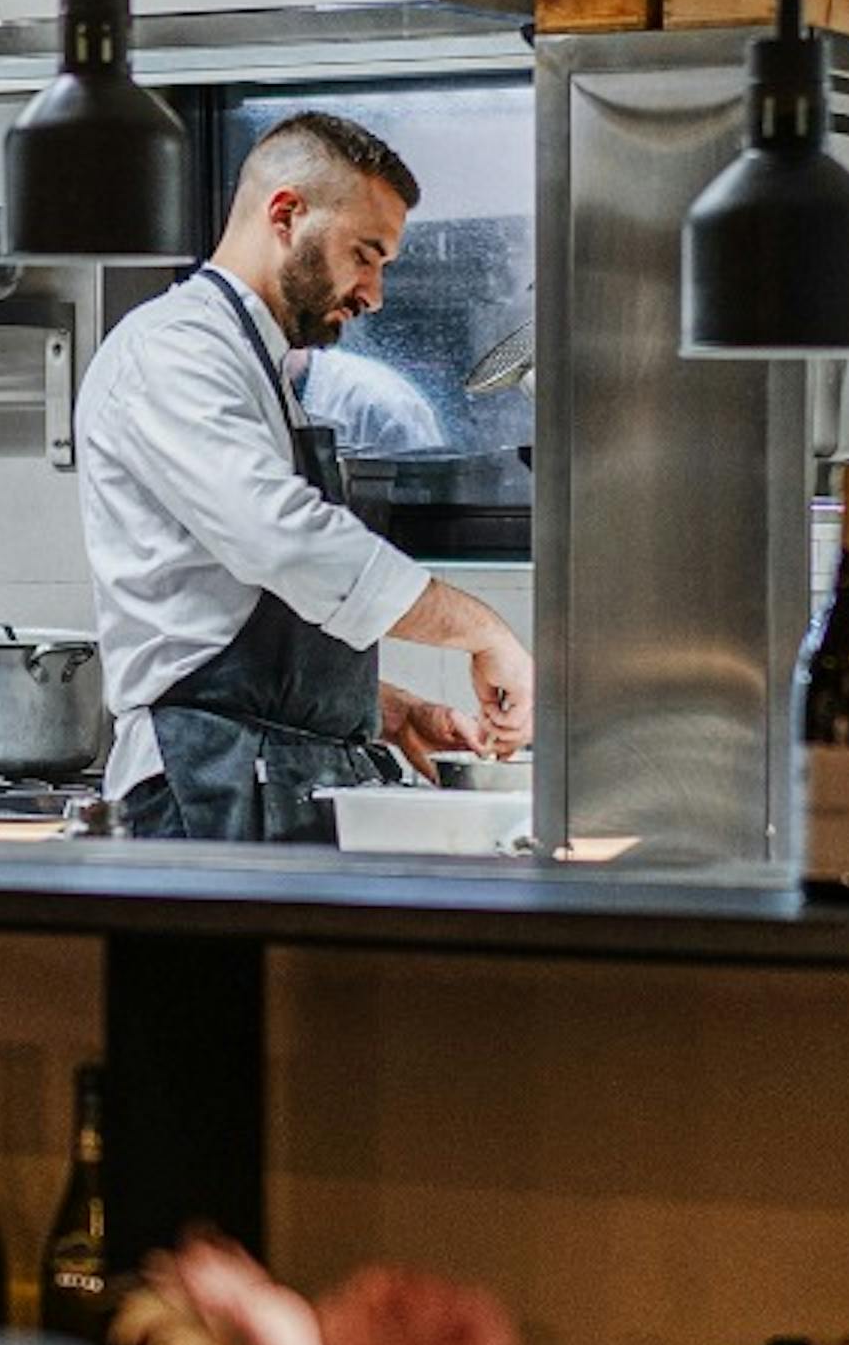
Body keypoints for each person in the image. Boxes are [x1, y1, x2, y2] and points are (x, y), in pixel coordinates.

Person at [75, 110, 537, 842]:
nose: (374, 293)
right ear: (286, 213)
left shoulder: (256, 365)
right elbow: (285, 541)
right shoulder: (172, 351)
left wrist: (379, 709)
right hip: (204, 794)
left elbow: (233, 621)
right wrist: (484, 632)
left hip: (261, 776)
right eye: (366, 254)